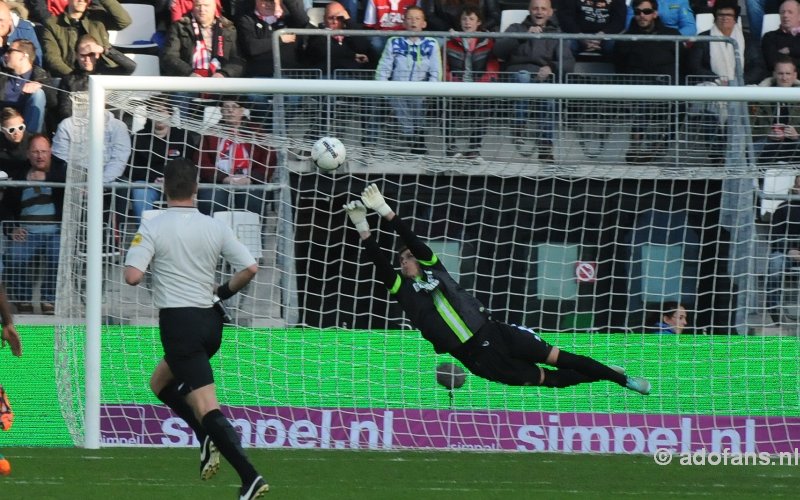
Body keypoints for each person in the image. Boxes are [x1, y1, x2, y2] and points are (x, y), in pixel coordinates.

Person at [343, 183, 652, 394]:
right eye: (403, 259)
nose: (406, 260)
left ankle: (622, 379)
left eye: (409, 257)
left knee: (562, 357)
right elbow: (381, 267)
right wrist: (363, 229)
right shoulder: (405, 292)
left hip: (497, 332)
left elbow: (414, 240)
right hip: (478, 358)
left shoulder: (436, 269)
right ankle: (601, 373)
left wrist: (385, 210)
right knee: (553, 380)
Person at [123, 157, 267, 500]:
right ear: (196, 189)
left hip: (180, 325)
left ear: (163, 187)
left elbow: (132, 277)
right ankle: (204, 438)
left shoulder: (153, 226)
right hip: (210, 321)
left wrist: (145, 253)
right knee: (159, 383)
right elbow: (249, 267)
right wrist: (222, 291)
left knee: (206, 407)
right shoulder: (214, 225)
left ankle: (251, 477)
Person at [493, 0, 573, 162]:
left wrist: (551, 68)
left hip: (543, 77)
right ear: (529, 10)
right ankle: (518, 125)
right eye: (535, 8)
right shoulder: (516, 28)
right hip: (517, 74)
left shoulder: (557, 34)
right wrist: (523, 37)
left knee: (549, 98)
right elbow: (498, 50)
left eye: (543, 9)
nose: (539, 12)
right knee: (523, 77)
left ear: (550, 12)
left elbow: (568, 61)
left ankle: (546, 146)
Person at [3, 134, 66, 315]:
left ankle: (49, 300)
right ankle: (23, 299)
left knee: (58, 255)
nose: (40, 156)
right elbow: (6, 206)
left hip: (56, 230)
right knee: (15, 256)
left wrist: (46, 175)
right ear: (28, 154)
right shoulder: (18, 174)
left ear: (51, 152)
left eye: (44, 152)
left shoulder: (60, 171)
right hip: (27, 231)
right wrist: (12, 229)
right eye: (36, 152)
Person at [614, 0, 680, 163]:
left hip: (667, 86)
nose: (642, 16)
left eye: (647, 11)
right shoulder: (626, 38)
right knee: (643, 99)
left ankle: (659, 146)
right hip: (638, 85)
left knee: (682, 102)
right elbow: (620, 65)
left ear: (655, 13)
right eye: (638, 12)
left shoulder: (672, 35)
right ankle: (635, 147)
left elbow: (683, 62)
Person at [374, 6, 441, 155]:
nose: (413, 22)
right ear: (403, 22)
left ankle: (415, 139)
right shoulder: (394, 41)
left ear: (424, 23)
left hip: (420, 88)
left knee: (419, 101)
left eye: (417, 19)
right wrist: (382, 87)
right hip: (398, 86)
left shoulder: (431, 43)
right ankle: (411, 136)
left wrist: (431, 89)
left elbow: (436, 70)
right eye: (409, 18)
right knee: (395, 97)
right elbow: (384, 67)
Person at [196, 97, 275, 215]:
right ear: (221, 112)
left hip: (249, 181)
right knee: (211, 201)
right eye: (226, 108)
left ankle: (253, 233)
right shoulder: (210, 133)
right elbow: (201, 161)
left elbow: (269, 159)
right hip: (218, 182)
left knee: (252, 202)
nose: (230, 111)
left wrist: (251, 178)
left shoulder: (257, 132)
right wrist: (223, 178)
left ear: (242, 110)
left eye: (234, 107)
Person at [127, 97, 200, 223]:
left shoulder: (183, 137)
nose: (159, 115)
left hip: (178, 184)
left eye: (162, 111)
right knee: (139, 190)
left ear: (170, 114)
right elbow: (131, 168)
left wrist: (170, 179)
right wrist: (155, 178)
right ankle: (145, 234)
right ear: (149, 115)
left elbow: (189, 165)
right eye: (155, 111)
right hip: (150, 184)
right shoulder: (139, 138)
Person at [444, 6, 498, 161]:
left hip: (479, 86)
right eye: (464, 19)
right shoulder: (450, 41)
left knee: (485, 107)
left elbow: (492, 67)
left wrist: (481, 85)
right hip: (456, 86)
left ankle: (474, 149)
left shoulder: (488, 42)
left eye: (471, 19)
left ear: (479, 22)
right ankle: (451, 149)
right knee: (447, 107)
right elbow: (445, 66)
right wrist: (452, 81)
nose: (467, 22)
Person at [41, 0, 132, 78]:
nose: (81, 0)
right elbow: (52, 58)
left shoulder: (98, 16)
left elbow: (124, 22)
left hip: (104, 72)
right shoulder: (53, 24)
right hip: (73, 77)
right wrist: (75, 77)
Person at [56, 34, 136, 122]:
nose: (87, 59)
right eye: (83, 55)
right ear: (76, 55)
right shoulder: (69, 80)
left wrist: (105, 50)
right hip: (79, 126)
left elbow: (131, 67)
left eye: (91, 54)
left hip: (109, 126)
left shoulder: (107, 74)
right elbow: (65, 112)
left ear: (97, 54)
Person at [749, 56, 800, 165]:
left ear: (794, 76)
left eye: (788, 74)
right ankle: (758, 181)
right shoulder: (759, 97)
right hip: (766, 143)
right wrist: (768, 133)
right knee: (752, 150)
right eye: (781, 73)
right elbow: (748, 128)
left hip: (794, 143)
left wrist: (797, 134)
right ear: (774, 74)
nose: (784, 78)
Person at [0, 39, 55, 134]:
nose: (5, 55)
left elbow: (53, 102)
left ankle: (30, 141)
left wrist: (40, 85)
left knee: (38, 94)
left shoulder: (41, 76)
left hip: (28, 128)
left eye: (10, 51)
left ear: (23, 56)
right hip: (4, 127)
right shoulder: (3, 75)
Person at [766, 175, 800, 323]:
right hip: (788, 254)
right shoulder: (783, 208)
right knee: (775, 262)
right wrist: (789, 251)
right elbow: (775, 236)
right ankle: (774, 312)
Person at [557, 0, 627, 57]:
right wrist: (580, 36)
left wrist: (602, 35)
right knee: (565, 45)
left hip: (606, 36)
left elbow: (619, 21)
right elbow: (566, 18)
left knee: (619, 46)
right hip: (577, 35)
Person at [761, 0, 800, 73]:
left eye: (790, 12)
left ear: (799, 16)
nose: (785, 15)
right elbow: (772, 63)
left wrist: (790, 51)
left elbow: (779, 63)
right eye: (782, 12)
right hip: (778, 81)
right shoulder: (769, 37)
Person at [426, 0, 500, 32]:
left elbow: (495, 15)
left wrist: (479, 28)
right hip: (446, 35)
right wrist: (448, 29)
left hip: (479, 34)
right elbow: (429, 15)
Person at [0, 107, 30, 178]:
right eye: (11, 130)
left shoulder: (32, 141)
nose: (17, 132)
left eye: (20, 128)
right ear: (3, 130)